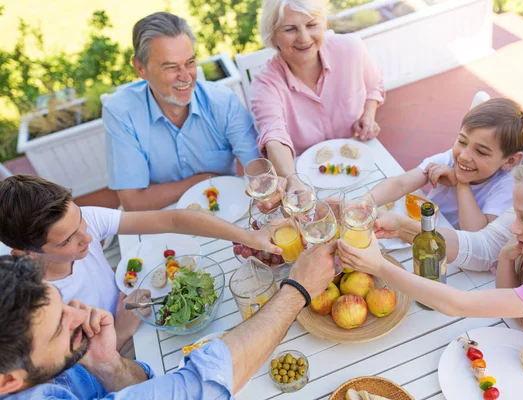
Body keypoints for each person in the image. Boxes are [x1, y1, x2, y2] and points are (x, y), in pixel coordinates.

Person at [373, 70, 523, 349]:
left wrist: (379, 264)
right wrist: (404, 227)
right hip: (522, 326)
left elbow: (462, 296)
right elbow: (487, 246)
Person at [339, 152, 523, 390]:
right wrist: (506, 257)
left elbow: (458, 304)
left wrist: (379, 266)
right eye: (517, 216)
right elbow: (516, 311)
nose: (513, 228)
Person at [0, 240, 335, 398]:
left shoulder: (48, 364)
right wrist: (297, 289)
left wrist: (107, 365)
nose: (80, 314)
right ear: (8, 383)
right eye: (61, 325)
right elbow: (199, 386)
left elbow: (143, 391)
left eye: (64, 303)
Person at [0, 175, 280, 353]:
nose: (87, 236)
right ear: (26, 255)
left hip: (142, 314)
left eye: (81, 221)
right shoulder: (36, 304)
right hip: (120, 350)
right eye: (66, 242)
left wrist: (250, 237)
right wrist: (121, 331)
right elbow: (80, 374)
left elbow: (174, 220)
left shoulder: (77, 223)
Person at [103, 12, 260, 211]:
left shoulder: (223, 102)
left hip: (227, 208)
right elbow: (133, 201)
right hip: (165, 219)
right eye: (171, 67)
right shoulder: (121, 113)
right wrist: (202, 180)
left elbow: (257, 168)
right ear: (140, 68)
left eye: (190, 63)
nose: (186, 77)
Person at [251, 0, 385, 181]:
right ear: (273, 35)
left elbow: (373, 86)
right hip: (306, 175)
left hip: (356, 163)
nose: (304, 38)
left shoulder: (351, 48)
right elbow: (274, 136)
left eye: (312, 25)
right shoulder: (265, 83)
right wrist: (293, 180)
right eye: (290, 29)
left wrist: (368, 115)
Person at [371, 98, 523, 231]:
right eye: (462, 141)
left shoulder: (506, 187)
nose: (464, 156)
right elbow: (400, 184)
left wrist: (461, 183)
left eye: (481, 152)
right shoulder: (450, 158)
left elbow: (476, 233)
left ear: (510, 161)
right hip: (424, 227)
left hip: (455, 256)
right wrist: (365, 203)